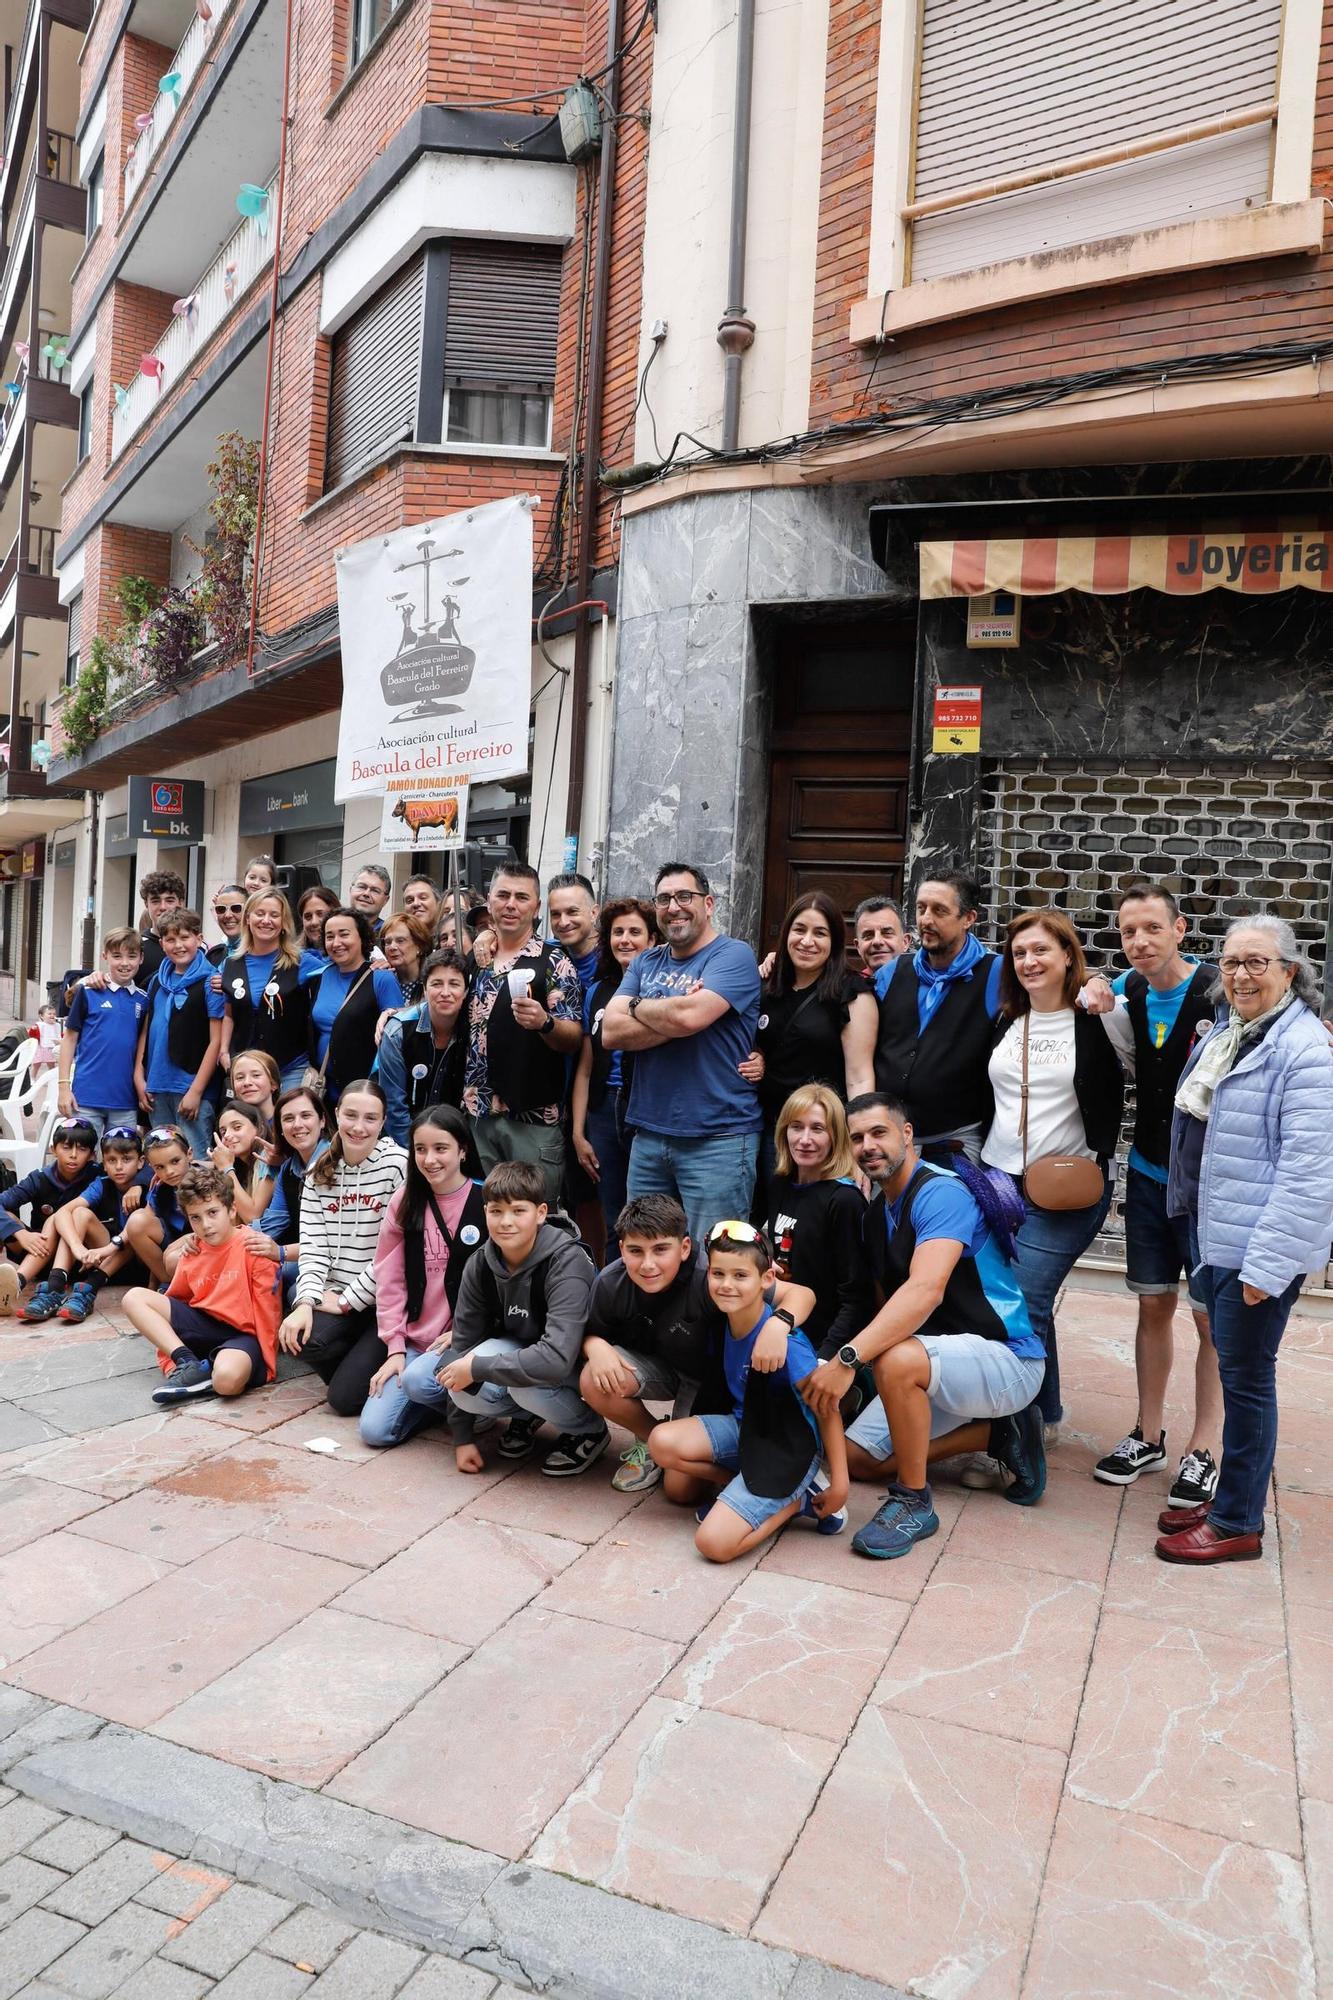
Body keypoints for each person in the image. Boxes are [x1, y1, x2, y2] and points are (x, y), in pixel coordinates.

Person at [799, 1093, 1048, 1559]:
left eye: (879, 1133)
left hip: (1008, 1360)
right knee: (855, 1460)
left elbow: (925, 1291)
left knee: (895, 1361)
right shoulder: (877, 1212)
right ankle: (997, 1435)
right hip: (939, 1362)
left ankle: (913, 1502)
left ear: (907, 1135)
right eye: (856, 1138)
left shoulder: (942, 1192)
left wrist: (849, 1359)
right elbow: (880, 1305)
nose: (868, 1146)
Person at [1157, 916, 1333, 1565]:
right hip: (1218, 1234)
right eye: (1231, 962)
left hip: (1255, 1247)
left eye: (1256, 962)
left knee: (1248, 1382)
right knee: (1237, 1378)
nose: (1239, 974)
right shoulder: (1237, 1034)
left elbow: (1309, 1172)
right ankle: (1231, 1498)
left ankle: (1236, 1523)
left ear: (1289, 972)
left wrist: (1267, 1263)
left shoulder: (1302, 1050)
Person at [1082, 884, 1222, 1504]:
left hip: (1208, 1184)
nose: (1139, 941)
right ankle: (1149, 1431)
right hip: (1147, 1171)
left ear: (1180, 928)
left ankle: (1206, 1449)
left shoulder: (1219, 992)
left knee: (1210, 1317)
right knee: (1151, 1306)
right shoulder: (1128, 993)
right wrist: (1092, 992)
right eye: (1128, 931)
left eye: (1151, 929)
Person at [979, 910, 1125, 1430]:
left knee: (1020, 1304)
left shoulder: (1103, 1016)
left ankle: (1015, 1439)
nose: (1029, 961)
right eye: (1019, 953)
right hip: (999, 1182)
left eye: (1041, 950)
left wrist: (1106, 986)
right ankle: (1045, 1413)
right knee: (1026, 1301)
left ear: (1068, 954)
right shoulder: (1006, 1019)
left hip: (1067, 1186)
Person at [579, 1192, 816, 1494]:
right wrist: (594, 1345)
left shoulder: (714, 1275)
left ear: (684, 1247)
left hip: (708, 1381)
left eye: (661, 1249)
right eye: (636, 1251)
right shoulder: (611, 1282)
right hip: (660, 1366)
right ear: (622, 1249)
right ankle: (652, 1443)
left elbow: (802, 1294)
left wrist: (778, 1324)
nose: (648, 1264)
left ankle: (748, 1477)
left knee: (682, 1492)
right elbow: (589, 1329)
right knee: (593, 1378)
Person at [648, 1221, 850, 1562]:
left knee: (712, 1544)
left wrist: (842, 1484)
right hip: (746, 1427)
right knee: (664, 1450)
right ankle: (738, 1484)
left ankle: (798, 1501)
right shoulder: (724, 1318)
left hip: (787, 1445)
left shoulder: (784, 1343)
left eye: (740, 1276)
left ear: (766, 1281)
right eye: (718, 1274)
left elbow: (826, 1409)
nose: (727, 1285)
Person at [603, 862, 762, 1244]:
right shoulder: (646, 960)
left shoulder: (733, 956)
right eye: (663, 898)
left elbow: (691, 1017)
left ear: (708, 904)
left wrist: (639, 1006)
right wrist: (673, 1011)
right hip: (649, 1135)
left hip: (718, 1140)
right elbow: (611, 1031)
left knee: (716, 1259)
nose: (674, 906)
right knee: (646, 1253)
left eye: (684, 896)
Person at [436, 1158, 605, 1476]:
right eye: (496, 1210)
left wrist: (477, 1367)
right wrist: (462, 1438)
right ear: (484, 1211)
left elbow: (556, 1358)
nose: (506, 1222)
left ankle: (589, 1429)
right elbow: (463, 1345)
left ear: (541, 1213)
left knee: (523, 1383)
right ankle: (527, 1416)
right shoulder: (481, 1263)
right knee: (457, 1382)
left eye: (518, 1210)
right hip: (523, 1351)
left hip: (579, 1363)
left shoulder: (566, 1261)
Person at [360, 1106, 489, 1460]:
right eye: (420, 1149)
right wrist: (395, 1348)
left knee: (419, 1381)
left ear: (463, 1149)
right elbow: (388, 1277)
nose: (429, 1159)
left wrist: (466, 1330)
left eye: (440, 1148)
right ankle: (446, 1408)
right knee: (375, 1431)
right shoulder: (405, 1199)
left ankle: (470, 1407)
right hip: (417, 1341)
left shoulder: (486, 1200)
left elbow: (502, 1282)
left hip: (464, 1340)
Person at [277, 1080, 407, 1414]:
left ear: (382, 1122)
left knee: (344, 1400)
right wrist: (305, 1302)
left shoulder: (399, 1166)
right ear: (336, 1115)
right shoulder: (318, 1173)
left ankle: (377, 1369)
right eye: (350, 1115)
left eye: (370, 1118)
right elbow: (313, 1246)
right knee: (297, 1333)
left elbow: (396, 1252)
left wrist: (350, 1301)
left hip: (384, 1302)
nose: (359, 1127)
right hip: (338, 1294)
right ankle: (358, 1359)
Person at [861, 872, 1004, 1164]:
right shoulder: (892, 973)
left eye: (939, 910)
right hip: (889, 1139)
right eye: (921, 908)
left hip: (956, 1141)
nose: (926, 919)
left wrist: (1097, 981)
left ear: (968, 918)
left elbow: (1053, 983)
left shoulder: (995, 973)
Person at [743, 891, 877, 1198]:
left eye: (820, 933)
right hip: (766, 1128)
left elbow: (860, 1077)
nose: (807, 941)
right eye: (799, 930)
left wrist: (859, 1143)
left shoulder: (852, 992)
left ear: (834, 942)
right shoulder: (766, 985)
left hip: (822, 1133)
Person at [461, 863, 582, 1202]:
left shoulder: (555, 961)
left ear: (536, 907)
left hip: (532, 1121)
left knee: (537, 1220)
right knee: (486, 1216)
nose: (511, 904)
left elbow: (573, 1036)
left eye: (521, 897)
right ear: (489, 901)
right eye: (503, 895)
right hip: (478, 1115)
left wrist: (545, 1022)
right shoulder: (478, 958)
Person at [122, 1163, 282, 1406]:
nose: (205, 1225)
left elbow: (269, 1308)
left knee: (226, 1382)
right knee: (133, 1297)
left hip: (241, 1335)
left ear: (231, 1210)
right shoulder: (194, 1247)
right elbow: (177, 1299)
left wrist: (267, 1363)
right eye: (195, 1218)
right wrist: (170, 1357)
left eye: (212, 1213)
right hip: (202, 1324)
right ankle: (187, 1362)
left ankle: (207, 1373)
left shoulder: (253, 1246)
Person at [571, 899, 660, 1248]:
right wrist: (579, 1133)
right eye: (617, 932)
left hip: (647, 1108)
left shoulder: (663, 988)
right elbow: (585, 1068)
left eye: (635, 932)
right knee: (613, 1220)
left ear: (653, 939)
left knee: (647, 1217)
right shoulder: (597, 991)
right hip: (603, 1112)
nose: (625, 939)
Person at [766, 1084, 874, 1361]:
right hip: (783, 1328)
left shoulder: (845, 1201)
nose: (804, 1139)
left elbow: (857, 1296)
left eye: (817, 1129)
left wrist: (827, 1359)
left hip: (824, 1344)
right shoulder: (780, 1184)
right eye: (796, 1127)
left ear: (836, 1137)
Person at [135, 908, 226, 1153]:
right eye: (171, 939)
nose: (179, 945)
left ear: (199, 938)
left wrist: (196, 1091)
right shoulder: (157, 981)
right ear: (162, 943)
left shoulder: (210, 982)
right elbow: (146, 1030)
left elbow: (215, 1041)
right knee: (161, 1158)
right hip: (157, 1086)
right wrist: (139, 1075)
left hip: (191, 1088)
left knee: (194, 1160)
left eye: (185, 937)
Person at [1, 1117, 100, 1319]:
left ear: (92, 1154)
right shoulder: (39, 1178)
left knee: (63, 1216)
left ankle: (20, 1282)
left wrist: (137, 1185)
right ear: (53, 1149)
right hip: (41, 1252)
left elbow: (136, 1171)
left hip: (84, 1258)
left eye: (82, 1149)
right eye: (66, 1147)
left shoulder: (98, 1176)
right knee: (7, 1216)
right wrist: (20, 1233)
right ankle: (11, 1286)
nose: (73, 1155)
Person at [50, 1126, 153, 1320]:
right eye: (112, 1161)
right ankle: (55, 1286)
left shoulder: (150, 1186)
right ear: (104, 1164)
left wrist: (140, 1185)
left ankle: (88, 1289)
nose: (119, 1167)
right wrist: (77, 1247)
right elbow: (63, 1213)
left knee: (136, 1224)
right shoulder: (102, 1183)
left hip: (139, 1262)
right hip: (102, 1257)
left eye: (126, 1159)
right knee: (80, 1213)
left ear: (141, 1163)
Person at [306, 909, 402, 1103]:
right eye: (330, 936)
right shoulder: (320, 977)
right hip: (324, 1087)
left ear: (362, 937)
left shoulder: (381, 977)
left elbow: (396, 1034)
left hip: (364, 1090)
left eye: (344, 934)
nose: (336, 943)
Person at [58, 927, 146, 1136]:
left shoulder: (143, 1000)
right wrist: (63, 1087)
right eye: (117, 956)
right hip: (86, 1097)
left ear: (141, 958)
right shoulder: (89, 992)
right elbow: (69, 1039)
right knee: (83, 1159)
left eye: (131, 956)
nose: (124, 963)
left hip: (125, 1100)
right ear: (104, 956)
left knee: (122, 1162)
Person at [219, 891, 311, 1090]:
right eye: (260, 913)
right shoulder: (231, 963)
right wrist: (224, 1051)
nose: (266, 921)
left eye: (274, 915)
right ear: (248, 918)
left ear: (284, 921)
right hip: (246, 1072)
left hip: (290, 1069)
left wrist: (379, 964)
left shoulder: (303, 962)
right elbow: (229, 1014)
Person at [377, 949, 469, 1146]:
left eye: (454, 984)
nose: (445, 993)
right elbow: (394, 1108)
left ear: (466, 992)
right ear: (425, 990)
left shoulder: (474, 1030)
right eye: (436, 984)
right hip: (403, 1143)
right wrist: (418, 1152)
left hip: (456, 1144)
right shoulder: (398, 1031)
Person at [255, 1085, 331, 1258]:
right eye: (288, 1119)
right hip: (303, 1257)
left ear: (322, 1120)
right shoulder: (287, 1169)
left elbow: (333, 1239)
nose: (297, 1125)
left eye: (306, 1116)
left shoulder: (339, 1163)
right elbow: (272, 1225)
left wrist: (281, 1252)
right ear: (280, 1129)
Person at [121, 1125, 196, 1284]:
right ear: (152, 1168)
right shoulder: (160, 1188)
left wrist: (174, 1247)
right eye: (160, 1167)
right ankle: (167, 1283)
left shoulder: (206, 1183)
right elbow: (144, 1219)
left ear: (189, 1154)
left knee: (173, 1256)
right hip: (173, 1253)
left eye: (175, 1161)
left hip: (203, 1246)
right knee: (137, 1221)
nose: (169, 1172)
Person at [209, 1099, 270, 1222]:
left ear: (259, 1129)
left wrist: (226, 1167)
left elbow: (252, 1217)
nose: (226, 1136)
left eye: (237, 1127)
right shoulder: (239, 1167)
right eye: (223, 1131)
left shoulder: (268, 1158)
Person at [546, 872, 601, 994]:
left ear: (594, 913)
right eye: (555, 914)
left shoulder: (615, 956)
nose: (563, 922)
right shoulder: (546, 953)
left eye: (572, 912)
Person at [135, 869, 185, 983]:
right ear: (146, 904)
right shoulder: (135, 947)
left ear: (181, 903)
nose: (163, 907)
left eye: (169, 900)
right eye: (155, 901)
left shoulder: (197, 947)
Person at [379, 910, 434, 1007]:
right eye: (388, 942)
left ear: (420, 946)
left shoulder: (432, 980)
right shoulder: (382, 980)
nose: (392, 947)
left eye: (400, 941)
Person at [853, 896, 910, 976]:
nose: (877, 941)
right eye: (868, 935)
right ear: (858, 946)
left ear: (905, 942)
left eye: (887, 933)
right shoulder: (846, 987)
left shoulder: (926, 986)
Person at [228, 1049, 280, 1132]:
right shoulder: (229, 1127)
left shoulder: (286, 1122)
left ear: (273, 1083)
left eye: (256, 1075)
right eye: (240, 1077)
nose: (247, 1082)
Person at [296, 886, 339, 973]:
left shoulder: (352, 959)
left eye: (320, 914)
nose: (314, 922)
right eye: (308, 917)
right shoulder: (293, 960)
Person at [207, 886, 247, 967]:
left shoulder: (261, 954)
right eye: (221, 909)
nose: (227, 915)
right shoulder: (213, 955)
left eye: (236, 908)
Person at [348, 864, 392, 934]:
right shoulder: (332, 927)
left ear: (385, 900)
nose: (366, 894)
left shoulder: (389, 934)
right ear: (350, 890)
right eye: (362, 887)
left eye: (375, 890)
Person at [31, 1004, 60, 1078]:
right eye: (49, 1014)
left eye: (54, 1014)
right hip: (40, 1047)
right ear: (41, 1016)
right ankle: (32, 1078)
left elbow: (60, 1035)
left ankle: (51, 1079)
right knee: (36, 1064)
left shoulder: (57, 1025)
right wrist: (33, 1030)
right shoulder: (39, 1025)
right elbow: (32, 1035)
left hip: (51, 1047)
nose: (52, 1015)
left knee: (51, 1065)